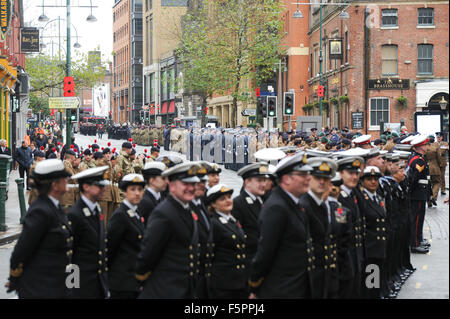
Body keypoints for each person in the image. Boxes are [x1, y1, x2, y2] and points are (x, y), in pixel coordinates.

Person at [249, 152, 315, 298]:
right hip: (282, 288)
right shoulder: (277, 207)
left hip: (296, 286)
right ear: (286, 179)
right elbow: (265, 252)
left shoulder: (294, 202)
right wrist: (254, 284)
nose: (308, 178)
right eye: (302, 175)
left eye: (308, 174)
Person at [6, 159, 72, 298]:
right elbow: (22, 250)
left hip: (57, 285)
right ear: (54, 185)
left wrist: (73, 284)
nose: (67, 180)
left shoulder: (56, 207)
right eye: (64, 178)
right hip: (41, 288)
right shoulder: (40, 211)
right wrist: (15, 279)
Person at [135, 162, 202, 298]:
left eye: (193, 184)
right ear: (172, 186)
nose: (191, 188)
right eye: (185, 184)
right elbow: (148, 255)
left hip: (184, 289)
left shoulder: (186, 209)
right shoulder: (164, 213)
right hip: (165, 290)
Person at [299, 157, 340, 299]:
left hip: (326, 272)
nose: (322, 182)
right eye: (317, 177)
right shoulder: (303, 205)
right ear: (309, 178)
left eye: (326, 178)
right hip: (309, 275)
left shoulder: (321, 205)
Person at [68, 166, 110, 299]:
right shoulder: (75, 214)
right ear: (86, 187)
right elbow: (69, 254)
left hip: (97, 282)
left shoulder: (97, 210)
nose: (104, 189)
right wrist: (72, 288)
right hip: (82, 285)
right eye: (99, 186)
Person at [107, 173, 146, 299]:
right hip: (121, 281)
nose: (137, 193)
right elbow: (110, 248)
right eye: (132, 189)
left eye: (140, 190)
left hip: (133, 280)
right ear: (124, 192)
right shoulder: (120, 215)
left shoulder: (135, 213)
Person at [205, 184, 247, 298]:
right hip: (223, 283)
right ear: (213, 204)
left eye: (229, 197)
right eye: (222, 199)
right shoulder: (214, 224)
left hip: (238, 280)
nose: (228, 201)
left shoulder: (232, 220)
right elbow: (209, 253)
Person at [336, 155, 366, 298]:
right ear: (340, 174)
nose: (354, 177)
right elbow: (340, 233)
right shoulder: (339, 198)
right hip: (346, 257)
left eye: (356, 173)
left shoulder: (352, 193)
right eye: (350, 173)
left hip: (355, 255)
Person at [232, 163, 268, 277]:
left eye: (264, 180)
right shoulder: (238, 203)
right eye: (259, 180)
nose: (263, 184)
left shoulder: (260, 200)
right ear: (247, 182)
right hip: (247, 262)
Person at [359, 166, 388, 299]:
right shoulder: (362, 200)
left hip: (378, 249)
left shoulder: (378, 197)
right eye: (369, 179)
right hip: (369, 251)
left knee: (375, 285)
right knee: (370, 286)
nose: (373, 182)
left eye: (375, 179)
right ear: (363, 181)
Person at [189, 162, 214, 299]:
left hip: (204, 273)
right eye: (198, 181)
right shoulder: (187, 206)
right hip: (191, 273)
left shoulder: (201, 204)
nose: (202, 185)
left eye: (204, 181)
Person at [407, 135, 431, 254]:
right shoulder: (418, 160)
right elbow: (414, 178)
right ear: (421, 146)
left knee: (419, 218)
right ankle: (414, 243)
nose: (428, 147)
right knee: (416, 219)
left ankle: (419, 239)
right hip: (417, 194)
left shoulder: (420, 158)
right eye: (426, 145)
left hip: (420, 193)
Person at [425, 135, 440, 207]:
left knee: (428, 185)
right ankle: (433, 197)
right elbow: (439, 158)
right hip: (435, 167)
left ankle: (429, 202)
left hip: (426, 168)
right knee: (437, 182)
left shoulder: (425, 149)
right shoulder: (435, 148)